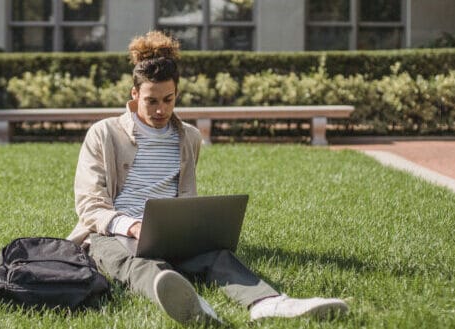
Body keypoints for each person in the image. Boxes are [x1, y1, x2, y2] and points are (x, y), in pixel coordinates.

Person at [66, 31, 348, 326]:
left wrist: (190, 230)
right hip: (110, 232)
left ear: (177, 93)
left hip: (168, 234)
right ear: (135, 95)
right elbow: (90, 205)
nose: (161, 109)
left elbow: (185, 198)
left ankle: (268, 302)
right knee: (137, 264)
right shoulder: (105, 133)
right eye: (151, 101)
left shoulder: (188, 137)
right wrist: (132, 225)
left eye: (168, 99)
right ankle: (194, 307)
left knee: (218, 256)